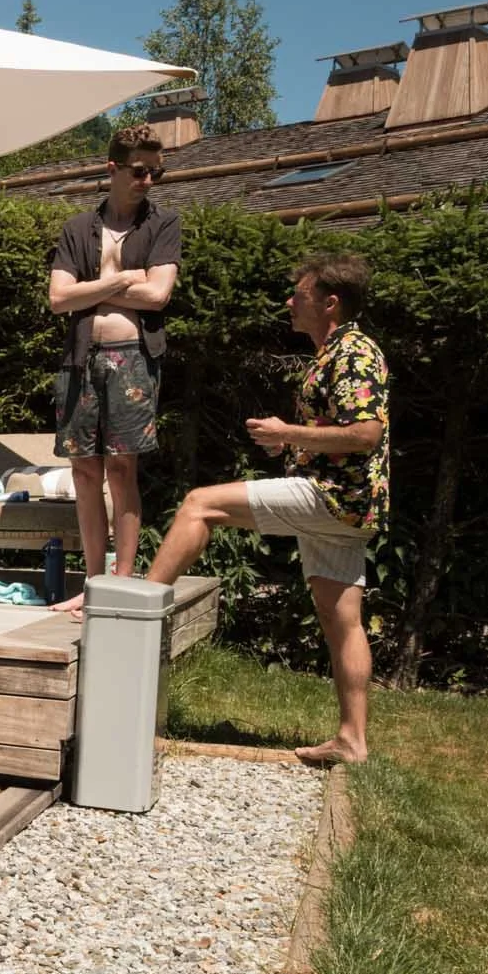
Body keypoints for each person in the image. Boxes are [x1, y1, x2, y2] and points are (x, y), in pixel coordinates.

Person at [145, 253, 387, 767]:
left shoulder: (355, 354)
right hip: (348, 503)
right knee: (341, 618)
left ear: (330, 303)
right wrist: (295, 447)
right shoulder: (338, 352)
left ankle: (137, 612)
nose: (289, 303)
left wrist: (287, 433)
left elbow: (367, 433)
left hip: (332, 498)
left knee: (199, 504)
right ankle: (352, 741)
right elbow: (340, 433)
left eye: (298, 295)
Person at [46, 124, 183, 616]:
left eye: (156, 172)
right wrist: (125, 278)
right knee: (84, 471)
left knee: (123, 468)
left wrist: (95, 286)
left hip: (133, 358)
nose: (149, 180)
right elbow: (58, 299)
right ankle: (94, 582)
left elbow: (159, 295)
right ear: (113, 169)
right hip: (81, 359)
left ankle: (121, 581)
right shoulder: (79, 228)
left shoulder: (163, 224)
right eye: (141, 171)